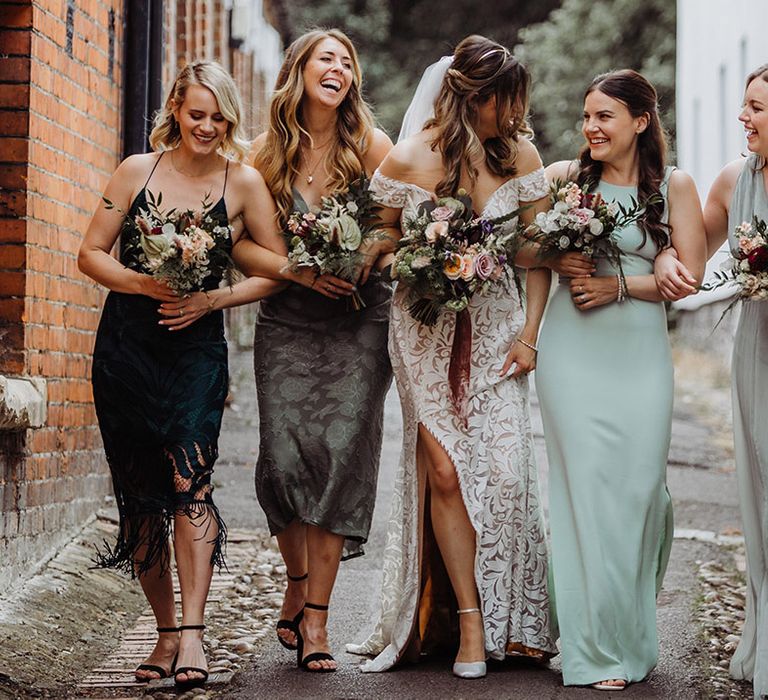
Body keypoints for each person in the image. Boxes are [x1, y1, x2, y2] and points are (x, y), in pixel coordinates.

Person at [346, 34, 558, 679]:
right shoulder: (409, 157)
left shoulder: (520, 153)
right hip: (422, 329)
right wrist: (413, 253)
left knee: (505, 470)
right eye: (506, 100)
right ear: (473, 97)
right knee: (443, 472)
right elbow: (379, 235)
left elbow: (538, 249)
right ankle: (466, 623)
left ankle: (513, 620)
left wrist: (530, 334)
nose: (516, 113)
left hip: (496, 328)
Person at [78, 61, 283, 690]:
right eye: (198, 114)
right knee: (140, 493)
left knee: (190, 482)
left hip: (195, 351)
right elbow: (89, 253)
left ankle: (194, 634)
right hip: (126, 349)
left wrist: (212, 298)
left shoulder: (242, 181)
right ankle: (164, 632)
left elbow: (274, 267)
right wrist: (146, 282)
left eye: (220, 117)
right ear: (176, 107)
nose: (209, 126)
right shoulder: (136, 171)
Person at [536, 69, 706, 691]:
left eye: (604, 116)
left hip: (638, 355)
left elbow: (690, 276)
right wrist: (557, 255)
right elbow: (516, 247)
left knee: (636, 494)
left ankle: (625, 628)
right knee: (583, 495)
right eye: (586, 117)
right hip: (571, 354)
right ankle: (592, 646)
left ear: (640, 121)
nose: (591, 128)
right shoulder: (563, 180)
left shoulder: (675, 187)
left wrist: (620, 283)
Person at [231, 29, 394, 672]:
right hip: (288, 321)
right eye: (327, 58)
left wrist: (364, 254)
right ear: (298, 71)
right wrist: (297, 269)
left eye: (348, 61)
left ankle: (319, 619)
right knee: (282, 456)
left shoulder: (372, 148)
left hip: (359, 321)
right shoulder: (260, 156)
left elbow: (394, 227)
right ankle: (296, 581)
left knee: (341, 457)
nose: (340, 69)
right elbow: (239, 244)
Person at [655, 63, 768, 700]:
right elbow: (689, 253)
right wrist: (669, 255)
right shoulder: (733, 180)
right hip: (757, 350)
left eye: (756, 108)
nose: (743, 119)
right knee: (760, 487)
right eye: (743, 105)